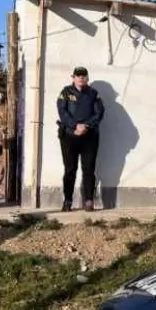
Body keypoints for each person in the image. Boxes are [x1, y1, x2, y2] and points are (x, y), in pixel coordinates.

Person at [56, 66, 105, 211]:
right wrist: (75, 126)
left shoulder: (93, 93)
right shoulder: (66, 92)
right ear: (73, 77)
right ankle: (68, 201)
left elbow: (99, 112)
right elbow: (62, 111)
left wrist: (86, 126)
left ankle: (89, 201)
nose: (81, 78)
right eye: (78, 75)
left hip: (89, 136)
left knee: (88, 168)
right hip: (69, 136)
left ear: (87, 78)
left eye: (84, 75)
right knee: (70, 169)